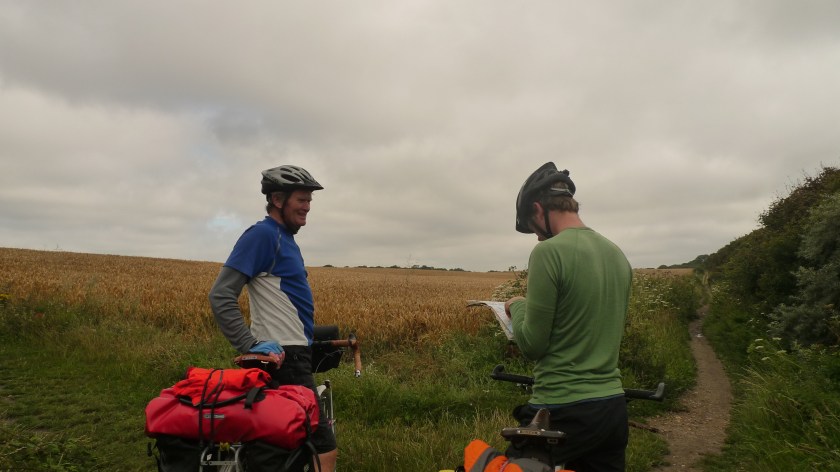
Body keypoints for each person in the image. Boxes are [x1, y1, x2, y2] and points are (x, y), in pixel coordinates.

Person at [504, 162, 633, 472]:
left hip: (561, 408)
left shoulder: (548, 252)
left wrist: (517, 306)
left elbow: (533, 344)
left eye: (533, 227)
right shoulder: (617, 254)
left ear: (538, 209)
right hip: (613, 409)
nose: (538, 238)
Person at [208, 164, 337, 471]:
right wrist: (251, 345)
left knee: (282, 448)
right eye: (301, 199)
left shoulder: (284, 238)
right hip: (283, 360)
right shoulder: (263, 235)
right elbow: (221, 295)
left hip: (293, 355)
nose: (307, 206)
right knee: (323, 447)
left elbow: (282, 305)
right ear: (277, 200)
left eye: (309, 200)